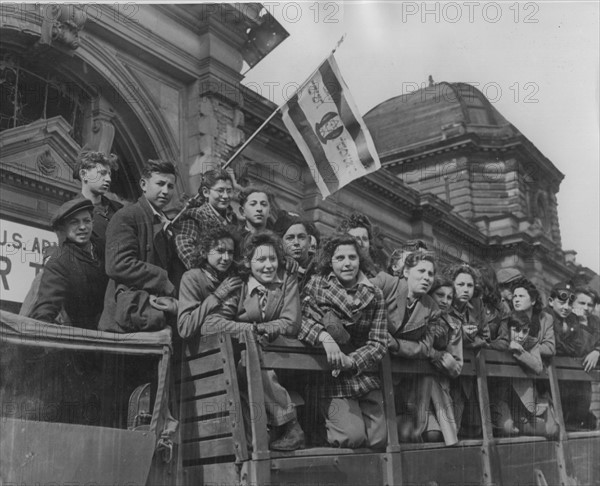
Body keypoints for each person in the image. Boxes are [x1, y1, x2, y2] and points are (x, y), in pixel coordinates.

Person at [202, 231, 305, 451]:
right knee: (248, 361)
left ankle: (290, 426)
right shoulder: (240, 286)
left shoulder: (287, 281)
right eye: (261, 260)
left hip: (284, 360)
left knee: (253, 360)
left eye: (272, 259)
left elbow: (291, 322)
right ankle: (279, 428)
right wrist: (251, 330)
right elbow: (211, 323)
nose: (268, 266)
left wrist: (264, 330)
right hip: (248, 364)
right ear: (248, 263)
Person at [299, 234, 388, 449]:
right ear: (330, 261)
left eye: (352, 257)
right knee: (352, 438)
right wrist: (324, 336)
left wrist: (353, 361)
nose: (347, 263)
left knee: (379, 440)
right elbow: (299, 321)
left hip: (362, 374)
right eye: (340, 258)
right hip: (330, 377)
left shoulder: (375, 294)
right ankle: (318, 433)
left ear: (360, 260)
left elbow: (379, 342)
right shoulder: (316, 285)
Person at [98, 160, 179, 332]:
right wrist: (163, 280)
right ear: (143, 184)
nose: (165, 191)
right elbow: (118, 264)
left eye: (170, 186)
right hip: (126, 319)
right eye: (160, 184)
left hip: (152, 315)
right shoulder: (127, 216)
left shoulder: (165, 223)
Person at [29, 199, 108, 329]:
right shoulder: (59, 262)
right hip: (88, 337)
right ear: (64, 228)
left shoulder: (103, 248)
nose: (82, 227)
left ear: (92, 223)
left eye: (86, 221)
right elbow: (46, 308)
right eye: (74, 222)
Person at [490, 312, 558, 438]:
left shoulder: (530, 343)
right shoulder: (502, 340)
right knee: (508, 429)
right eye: (516, 330)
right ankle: (511, 423)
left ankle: (524, 422)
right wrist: (508, 345)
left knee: (553, 430)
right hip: (501, 398)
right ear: (508, 329)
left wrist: (518, 352)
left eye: (525, 331)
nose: (521, 336)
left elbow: (538, 367)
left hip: (523, 402)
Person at [544, 282, 599, 430]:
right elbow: (571, 348)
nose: (586, 308)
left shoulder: (591, 321)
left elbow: (580, 348)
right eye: (581, 303)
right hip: (553, 375)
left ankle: (581, 418)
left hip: (575, 375)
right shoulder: (553, 317)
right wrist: (581, 323)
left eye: (590, 305)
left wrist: (597, 350)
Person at [446, 263, 490, 437]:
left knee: (476, 427)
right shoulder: (444, 302)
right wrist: (461, 335)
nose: (466, 289)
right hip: (450, 371)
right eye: (460, 284)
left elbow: (486, 338)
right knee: (453, 424)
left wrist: (468, 339)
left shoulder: (476, 306)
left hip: (471, 373)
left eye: (470, 285)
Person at [177, 226, 241, 339]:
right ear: (204, 252)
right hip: (206, 348)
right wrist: (217, 296)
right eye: (220, 251)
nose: (226, 258)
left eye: (230, 252)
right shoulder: (192, 278)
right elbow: (185, 328)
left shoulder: (232, 278)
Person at [175, 169, 238, 270]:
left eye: (229, 191)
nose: (226, 196)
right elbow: (184, 247)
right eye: (220, 191)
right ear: (206, 192)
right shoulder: (196, 215)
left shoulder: (232, 218)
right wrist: (207, 273)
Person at [426, 277, 463, 445]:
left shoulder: (454, 325)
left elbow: (456, 367)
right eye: (440, 295)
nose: (445, 301)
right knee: (431, 433)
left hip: (441, 385)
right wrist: (435, 354)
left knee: (445, 435)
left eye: (449, 297)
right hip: (415, 382)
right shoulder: (420, 315)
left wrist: (447, 361)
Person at [70, 149, 122, 260]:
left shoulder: (120, 210)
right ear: (84, 174)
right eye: (102, 173)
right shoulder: (71, 212)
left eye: (109, 174)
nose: (108, 179)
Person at [273, 212, 315, 291]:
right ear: (280, 243)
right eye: (290, 238)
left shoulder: (319, 269)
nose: (296, 242)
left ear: (309, 241)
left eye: (301, 237)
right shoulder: (275, 270)